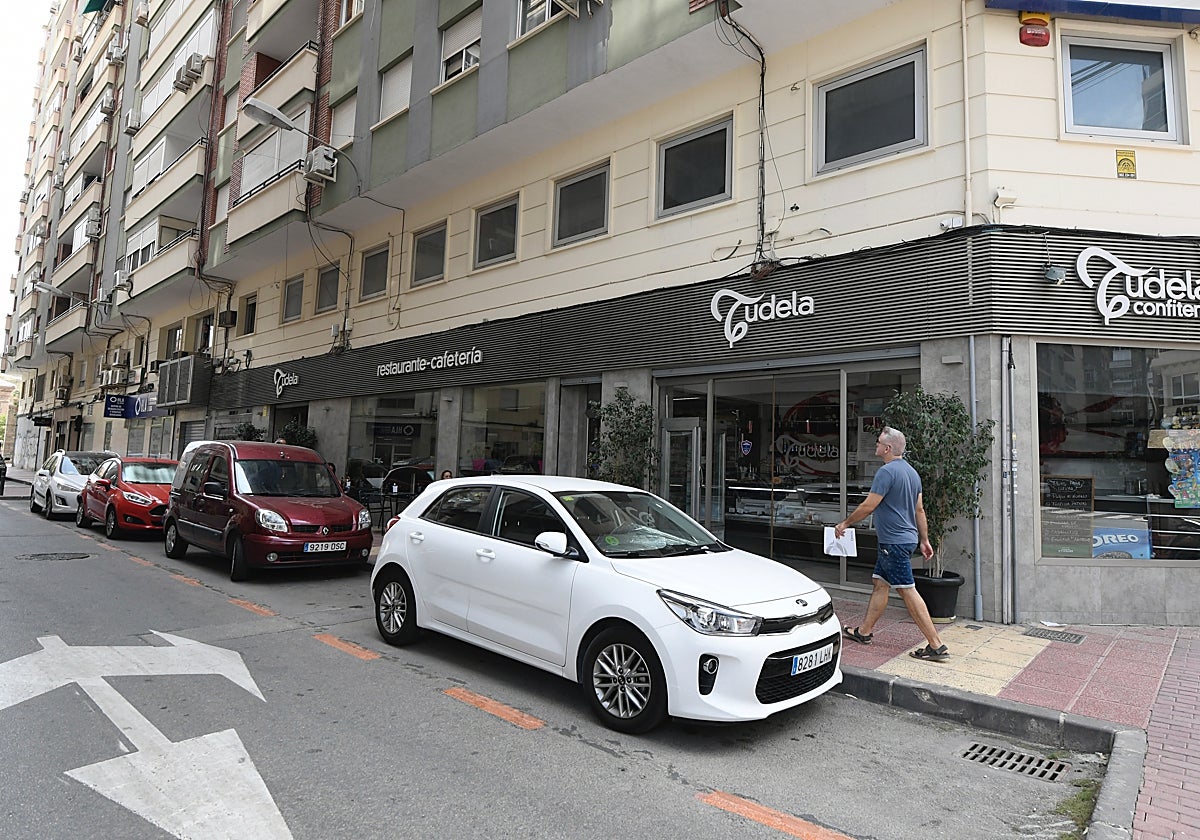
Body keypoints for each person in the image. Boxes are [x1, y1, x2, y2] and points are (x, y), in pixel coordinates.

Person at [834, 426, 949, 662]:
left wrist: (845, 523)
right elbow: (919, 510)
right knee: (880, 583)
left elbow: (869, 505)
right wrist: (924, 539)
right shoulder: (912, 473)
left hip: (893, 543)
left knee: (907, 589)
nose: (875, 445)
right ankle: (864, 632)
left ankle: (936, 645)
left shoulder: (886, 472)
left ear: (887, 448)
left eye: (878, 442)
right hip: (904, 539)